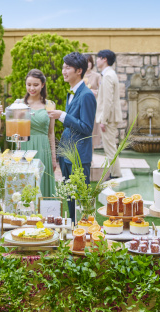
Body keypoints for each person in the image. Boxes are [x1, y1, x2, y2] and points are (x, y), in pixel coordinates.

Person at [47, 52, 97, 220]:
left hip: (79, 157)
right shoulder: (71, 93)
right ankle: (73, 231)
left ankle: (84, 234)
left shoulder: (87, 95)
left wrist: (62, 115)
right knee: (70, 199)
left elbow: (86, 128)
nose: (63, 71)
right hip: (66, 156)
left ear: (79, 71)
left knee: (81, 201)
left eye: (67, 67)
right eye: (63, 67)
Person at [19, 69, 57, 197]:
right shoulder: (19, 104)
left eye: (35, 85)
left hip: (42, 148)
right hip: (24, 147)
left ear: (43, 85)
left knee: (43, 182)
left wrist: (53, 158)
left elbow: (51, 133)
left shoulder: (50, 105)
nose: (32, 88)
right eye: (29, 84)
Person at [95, 50, 123, 179]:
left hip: (109, 119)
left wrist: (103, 120)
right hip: (111, 118)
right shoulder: (109, 74)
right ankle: (114, 173)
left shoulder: (108, 76)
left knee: (110, 147)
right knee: (111, 146)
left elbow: (108, 100)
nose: (96, 60)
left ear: (104, 59)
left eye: (98, 58)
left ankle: (115, 174)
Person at [84, 55, 102, 150]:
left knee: (93, 130)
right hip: (82, 106)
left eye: (89, 61)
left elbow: (101, 91)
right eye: (86, 62)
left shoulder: (97, 76)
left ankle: (91, 156)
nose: (88, 64)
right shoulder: (79, 76)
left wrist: (94, 92)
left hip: (93, 106)